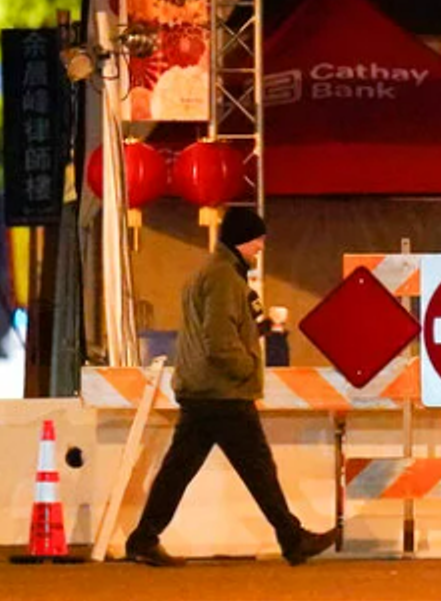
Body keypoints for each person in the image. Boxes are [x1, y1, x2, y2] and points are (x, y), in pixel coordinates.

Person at [124, 207, 340, 567]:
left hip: (202, 391)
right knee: (258, 469)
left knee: (180, 470)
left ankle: (144, 538)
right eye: (257, 240)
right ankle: (292, 539)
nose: (260, 247)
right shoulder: (224, 278)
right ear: (242, 240)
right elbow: (220, 339)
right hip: (223, 392)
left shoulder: (209, 273)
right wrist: (247, 369)